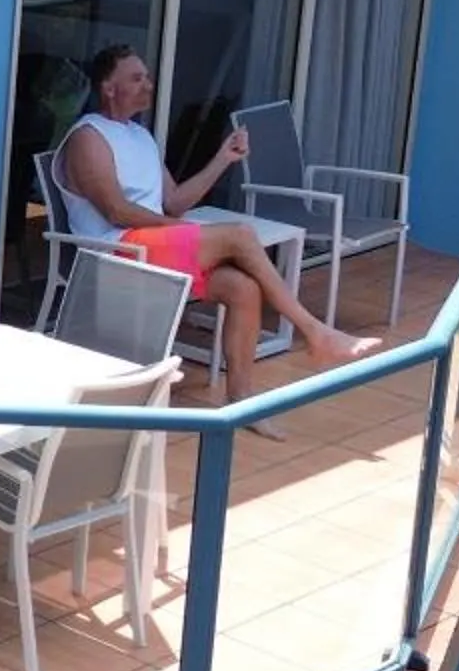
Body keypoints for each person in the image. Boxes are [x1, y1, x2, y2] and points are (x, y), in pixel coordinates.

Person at [53, 44, 376, 433]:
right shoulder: (88, 136)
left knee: (243, 288)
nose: (149, 85)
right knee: (240, 235)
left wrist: (224, 158)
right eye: (137, 78)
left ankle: (239, 403)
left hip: (148, 246)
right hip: (114, 253)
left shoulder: (140, 136)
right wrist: (191, 232)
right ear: (108, 87)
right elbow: (116, 212)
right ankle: (315, 332)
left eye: (148, 77)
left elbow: (175, 202)